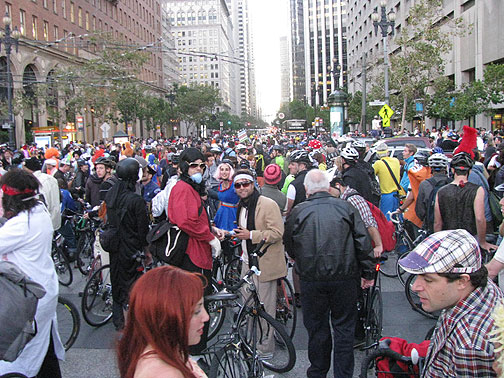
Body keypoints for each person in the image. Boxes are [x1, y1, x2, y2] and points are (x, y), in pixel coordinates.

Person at [284, 169, 375, 378]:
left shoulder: (299, 211)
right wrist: (368, 272)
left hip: (311, 277)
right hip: (344, 276)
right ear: (328, 187)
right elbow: (363, 242)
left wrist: (297, 259)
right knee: (344, 329)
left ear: (307, 189)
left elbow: (289, 242)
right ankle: (343, 374)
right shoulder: (346, 207)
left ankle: (318, 371)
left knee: (317, 329)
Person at [398, 229, 503, 377]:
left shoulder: (469, 346)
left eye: (428, 280)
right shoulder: (479, 288)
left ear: (462, 281)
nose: (415, 287)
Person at [0, 169, 64, 377]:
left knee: (23, 351)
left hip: (28, 296)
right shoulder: (38, 212)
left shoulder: (21, 225)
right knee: (43, 347)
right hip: (43, 289)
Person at [168, 147, 224, 355]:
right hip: (194, 255)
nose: (199, 169)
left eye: (202, 166)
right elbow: (185, 220)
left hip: (197, 252)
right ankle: (194, 353)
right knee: (195, 306)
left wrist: (211, 229)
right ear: (184, 167)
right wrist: (209, 237)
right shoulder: (183, 188)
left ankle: (193, 351)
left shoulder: (190, 188)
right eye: (193, 166)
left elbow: (194, 217)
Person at [232, 169, 287, 358]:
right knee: (247, 306)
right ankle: (250, 341)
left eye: (245, 184)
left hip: (265, 263)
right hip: (247, 262)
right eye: (238, 185)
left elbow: (278, 232)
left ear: (253, 184)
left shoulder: (267, 204)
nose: (242, 188)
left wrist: (251, 235)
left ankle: (265, 348)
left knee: (265, 308)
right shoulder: (241, 206)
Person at [117, 266, 209, 378]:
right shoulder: (165, 373)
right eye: (197, 311)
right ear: (167, 317)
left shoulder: (162, 350)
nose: (206, 317)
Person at [104, 157, 150, 330]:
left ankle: (119, 319)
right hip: (131, 247)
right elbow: (142, 229)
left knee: (117, 280)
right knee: (133, 284)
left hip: (115, 245)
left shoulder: (111, 194)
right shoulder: (135, 200)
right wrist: (146, 249)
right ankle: (134, 321)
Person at [434, 152, 496, 251]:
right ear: (470, 171)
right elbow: (480, 218)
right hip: (470, 240)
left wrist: (438, 244)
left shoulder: (441, 191)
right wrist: (482, 242)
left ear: (453, 170)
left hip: (449, 241)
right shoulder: (477, 190)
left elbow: (437, 222)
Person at [416, 153, 451, 232]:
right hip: (451, 227)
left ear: (431, 168)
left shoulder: (425, 185)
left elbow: (420, 210)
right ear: (445, 168)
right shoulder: (452, 183)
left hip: (432, 226)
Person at [373, 142, 402, 220]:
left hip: (386, 195)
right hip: (397, 194)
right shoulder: (396, 161)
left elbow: (371, 175)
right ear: (388, 152)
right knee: (397, 217)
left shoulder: (378, 163)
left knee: (386, 219)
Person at [211, 161, 238, 231]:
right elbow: (221, 201)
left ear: (230, 171)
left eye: (227, 170)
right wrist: (217, 215)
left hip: (233, 214)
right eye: (222, 169)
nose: (224, 172)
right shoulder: (220, 185)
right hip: (221, 213)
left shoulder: (235, 185)